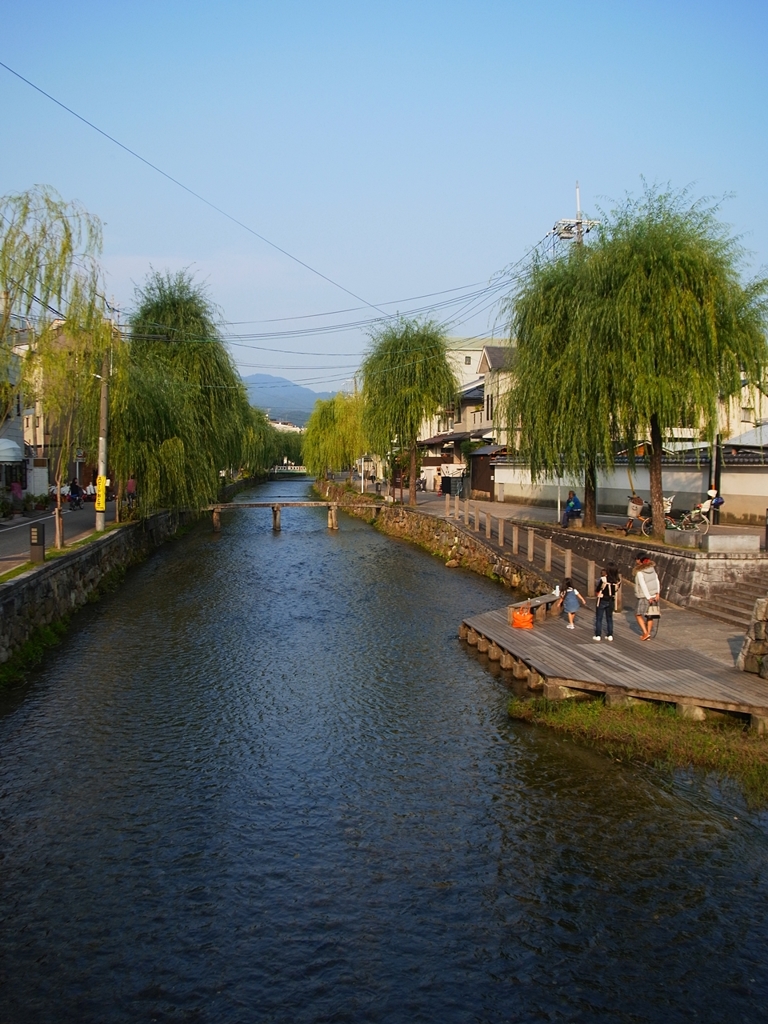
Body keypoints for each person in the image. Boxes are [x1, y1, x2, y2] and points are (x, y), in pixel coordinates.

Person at [633, 552, 661, 641]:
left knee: (638, 614)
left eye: (636, 559)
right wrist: (657, 593)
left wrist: (648, 597)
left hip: (644, 596)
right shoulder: (652, 569)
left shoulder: (640, 572)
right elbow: (657, 580)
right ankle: (648, 633)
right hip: (654, 595)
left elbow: (643, 585)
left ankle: (645, 633)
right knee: (650, 615)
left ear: (639, 560)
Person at [594, 562, 620, 642]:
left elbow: (598, 589)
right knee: (609, 618)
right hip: (611, 600)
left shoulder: (603, 579)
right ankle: (610, 635)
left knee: (599, 618)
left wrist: (598, 593)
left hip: (602, 599)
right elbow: (616, 590)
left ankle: (598, 635)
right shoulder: (617, 581)